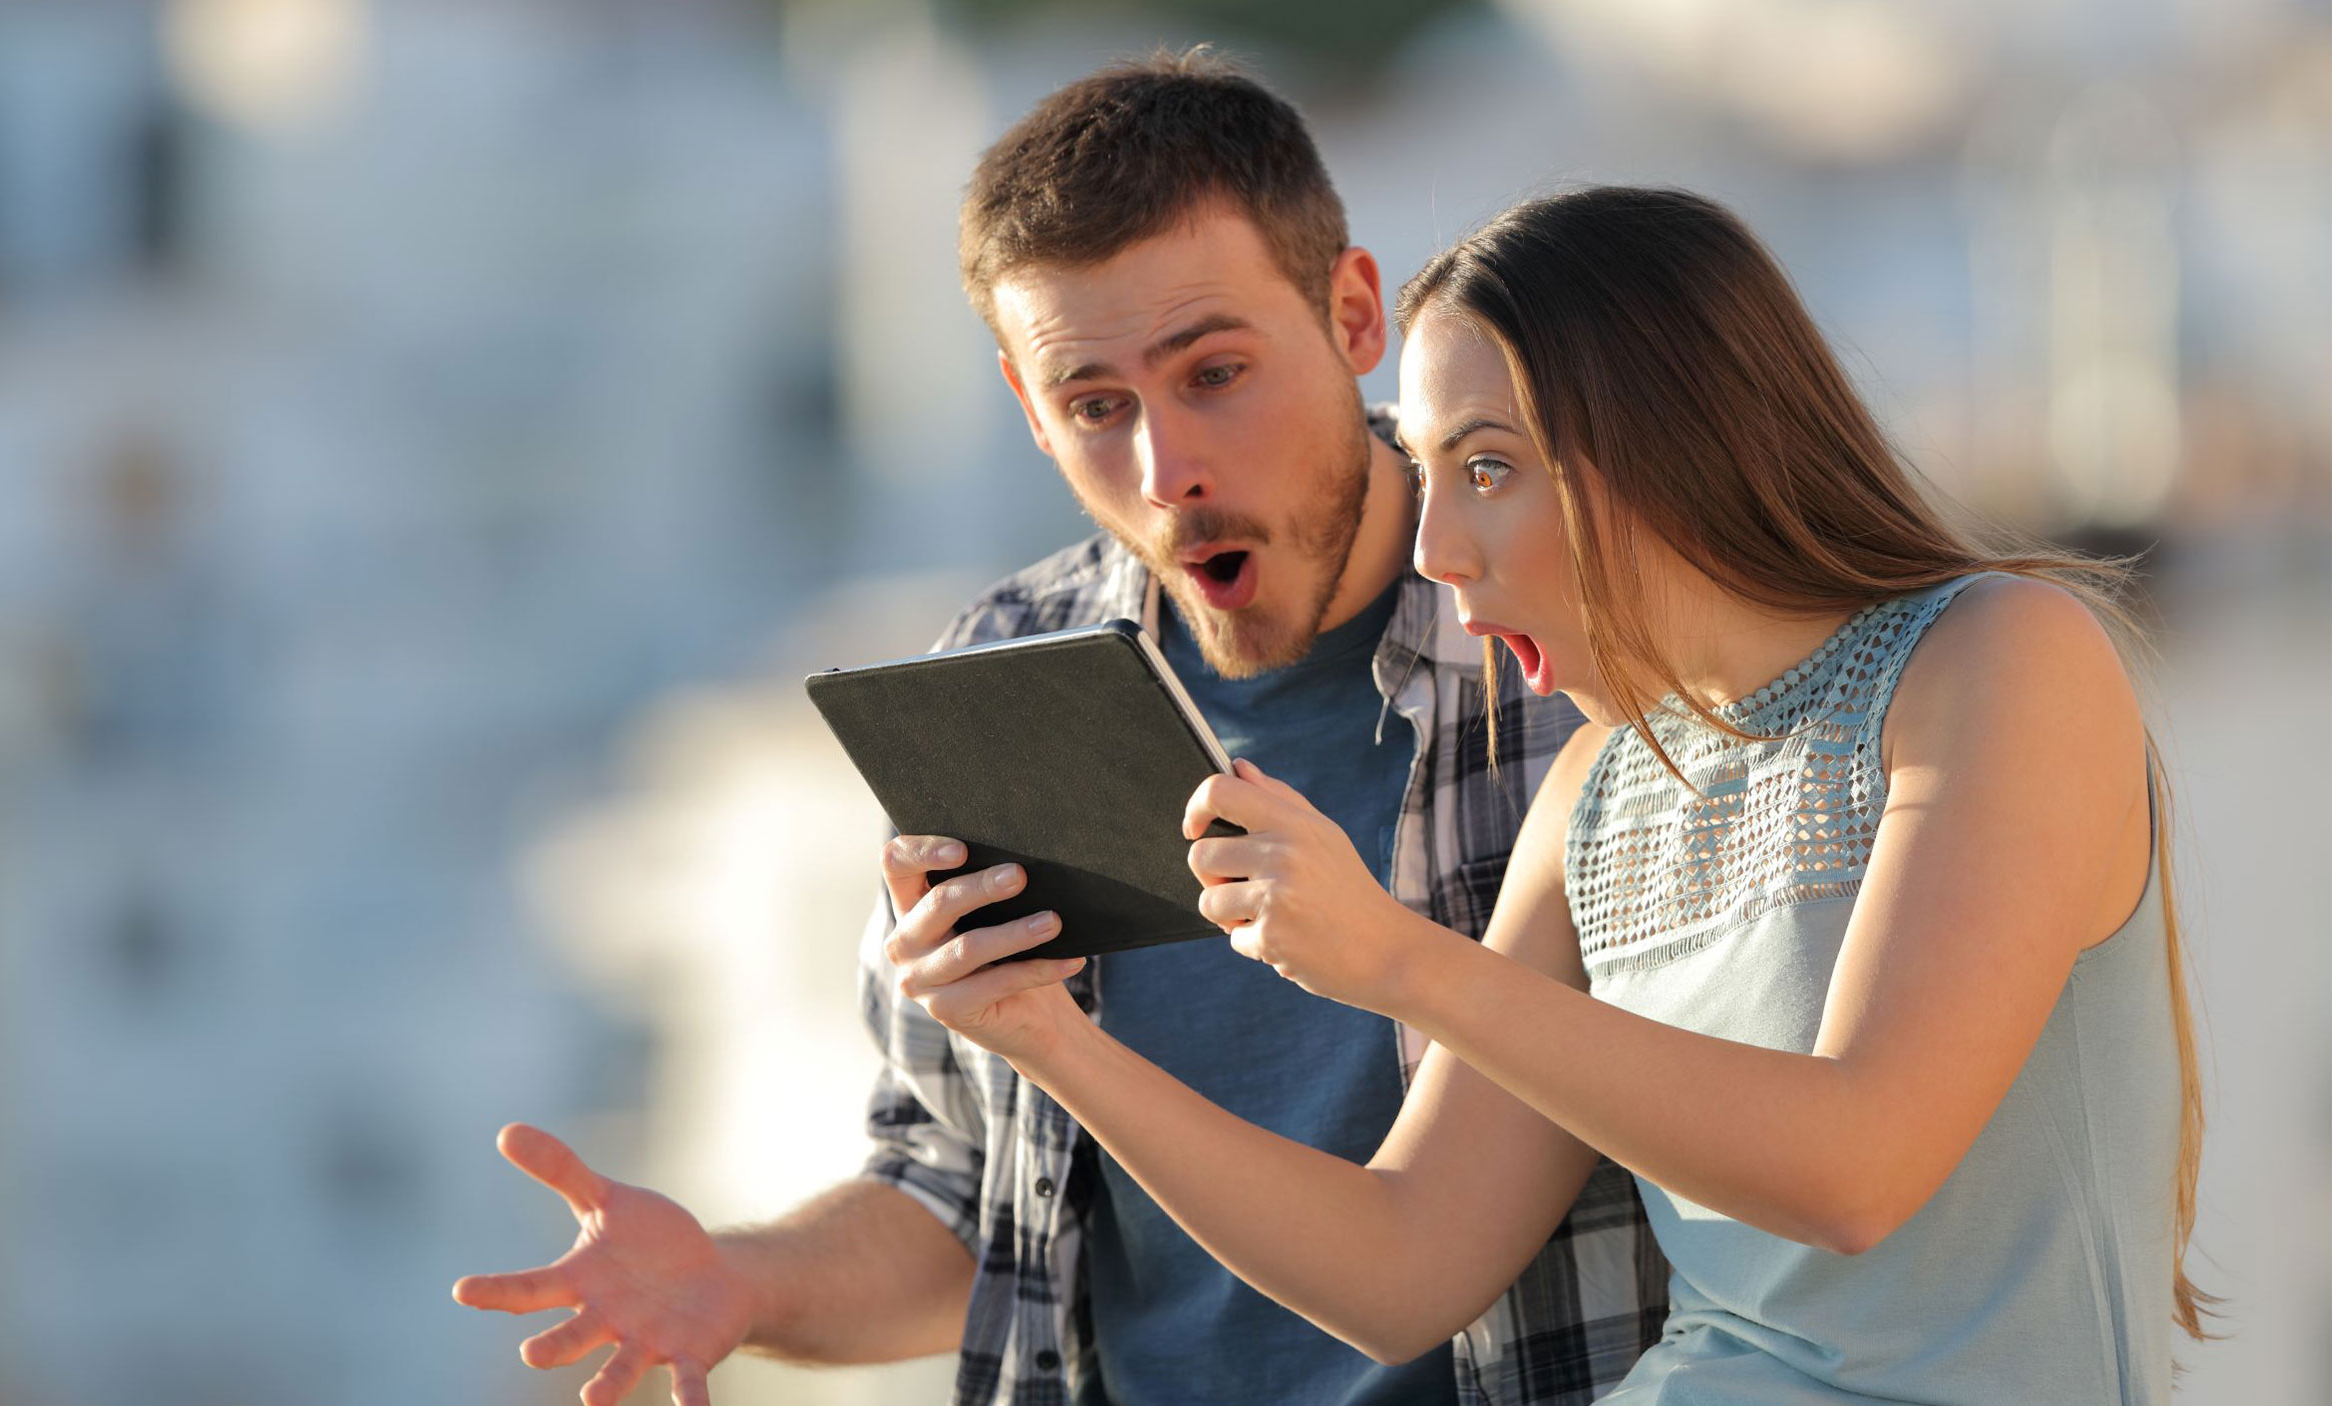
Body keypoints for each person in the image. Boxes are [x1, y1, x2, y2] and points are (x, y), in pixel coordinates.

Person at [452, 53, 1667, 1406]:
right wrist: (743, 1282)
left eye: (1215, 371)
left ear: (1354, 311)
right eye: (1097, 406)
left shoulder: (1565, 628)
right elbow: (975, 1203)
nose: (1167, 469)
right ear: (1031, 411)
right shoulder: (1000, 677)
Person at [886, 184, 2216, 1404]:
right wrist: (1050, 1041)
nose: (1435, 552)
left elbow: (1855, 1166)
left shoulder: (1999, 655)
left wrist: (1401, 962)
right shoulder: (1595, 789)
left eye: (1486, 468)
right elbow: (1402, 1266)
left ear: (1671, 440)